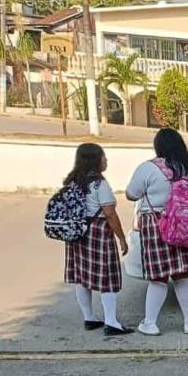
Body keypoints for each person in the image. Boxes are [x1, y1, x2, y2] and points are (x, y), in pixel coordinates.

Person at [126, 128, 188, 336]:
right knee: (183, 276)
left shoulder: (148, 168)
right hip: (187, 227)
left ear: (158, 147)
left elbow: (131, 194)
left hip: (156, 225)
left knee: (159, 278)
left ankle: (150, 323)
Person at [62, 143, 133, 337]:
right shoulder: (99, 184)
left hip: (78, 233)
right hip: (98, 233)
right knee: (108, 278)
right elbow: (110, 214)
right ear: (95, 159)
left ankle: (89, 318)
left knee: (82, 276)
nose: (106, 160)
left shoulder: (71, 181)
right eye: (104, 157)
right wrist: (121, 238)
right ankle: (111, 322)